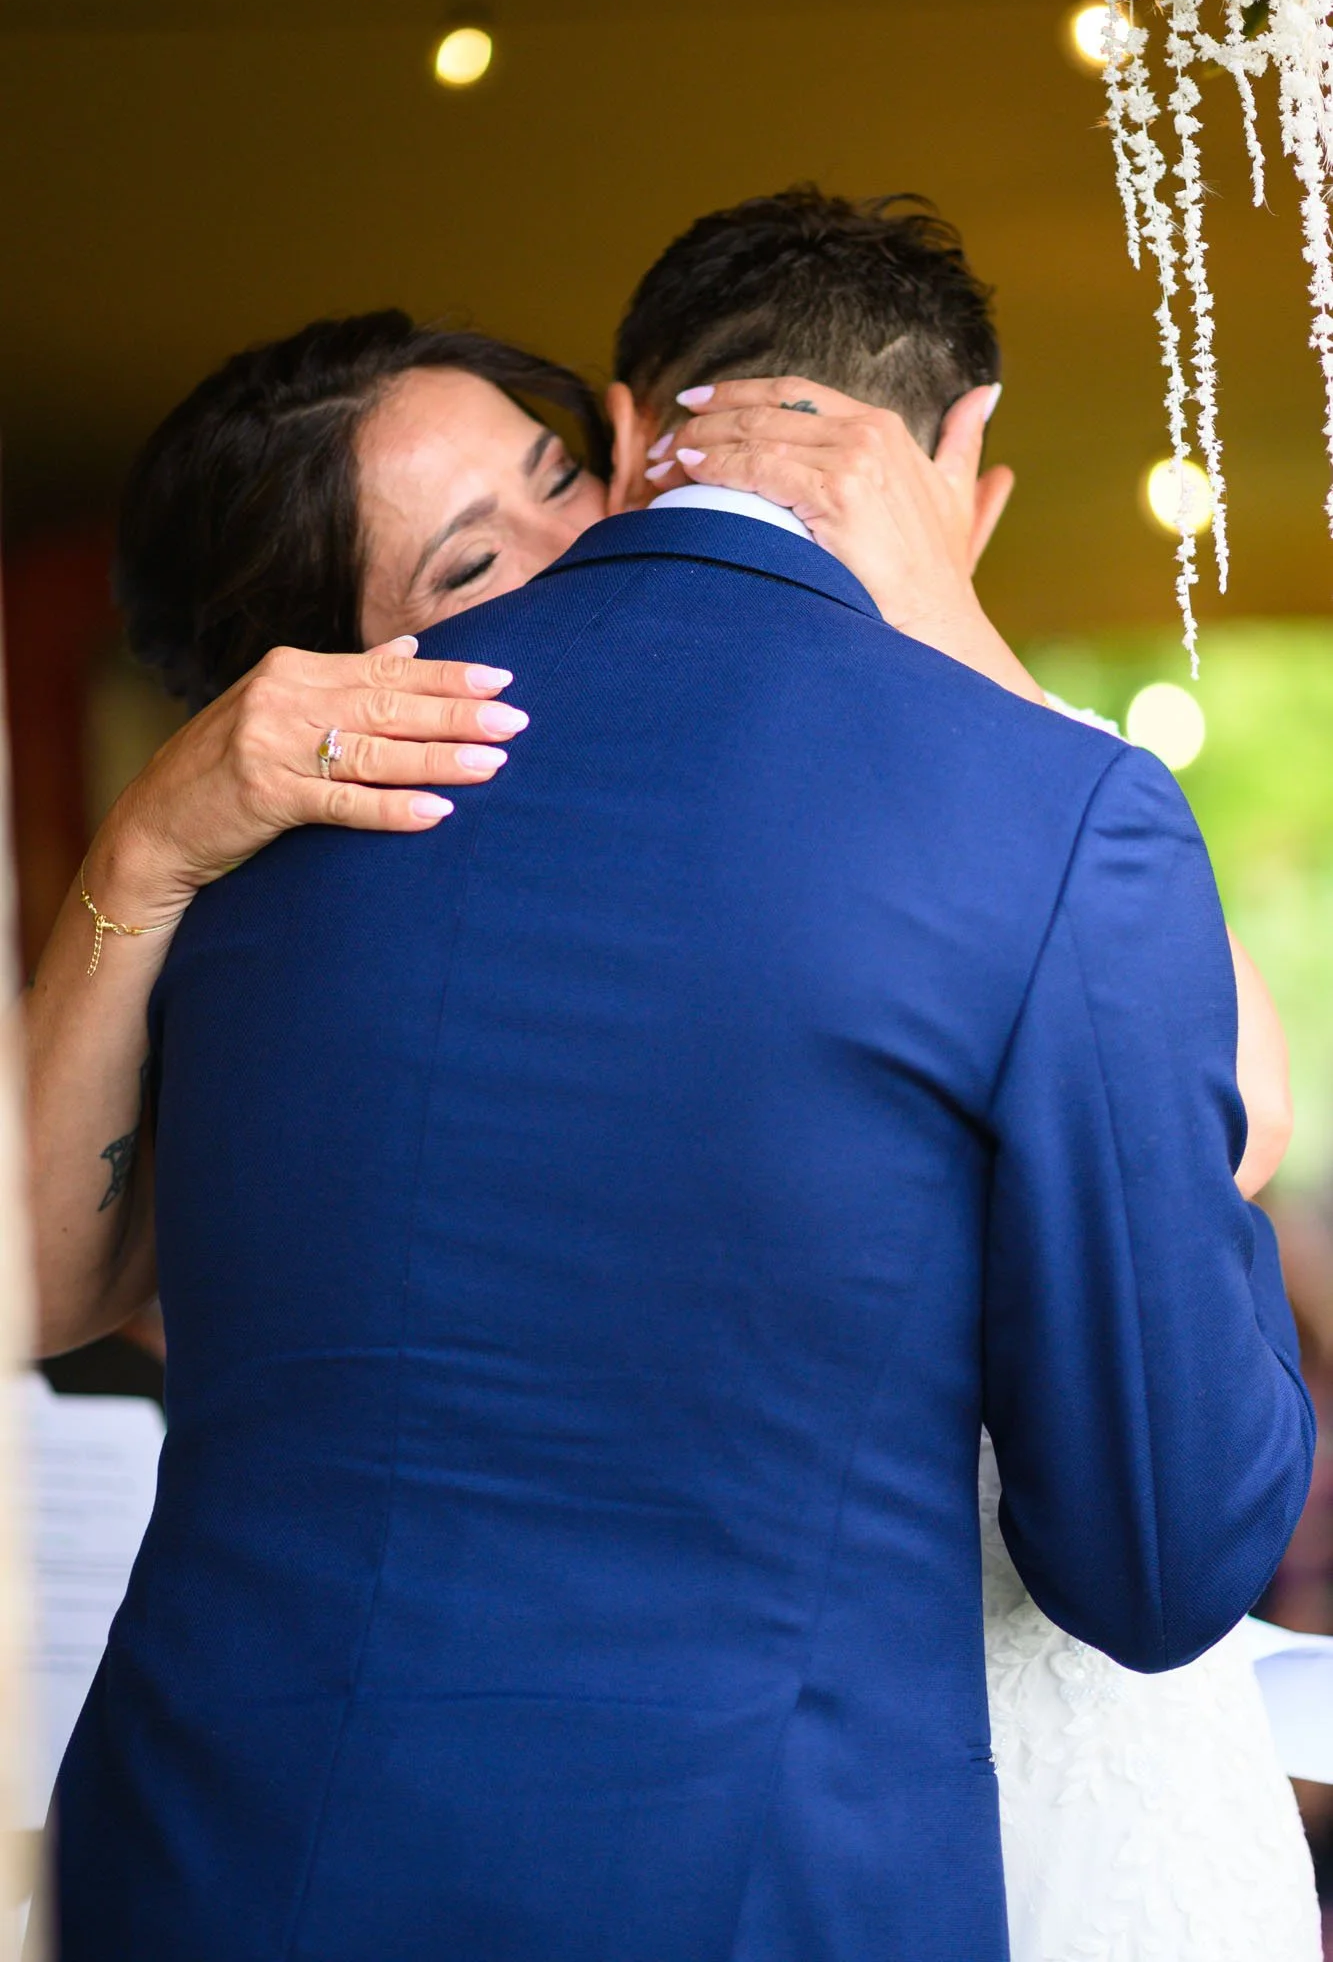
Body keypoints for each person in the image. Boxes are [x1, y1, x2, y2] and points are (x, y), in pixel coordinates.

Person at [32, 196, 1315, 1959]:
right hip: (745, 1868)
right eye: (465, 570)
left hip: (220, 1855)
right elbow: (1165, 1524)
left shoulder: (944, 789)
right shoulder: (1021, 815)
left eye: (561, 474)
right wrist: (147, 844)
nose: (583, 554)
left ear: (627, 437)